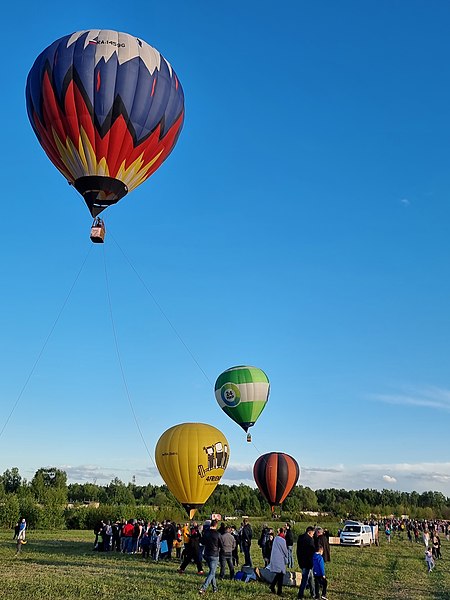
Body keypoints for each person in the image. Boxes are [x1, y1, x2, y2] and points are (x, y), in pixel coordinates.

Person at [199, 519, 223, 594]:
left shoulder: (206, 533)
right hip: (214, 554)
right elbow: (221, 545)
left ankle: (215, 588)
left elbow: (202, 542)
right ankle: (203, 588)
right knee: (212, 573)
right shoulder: (218, 534)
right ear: (216, 525)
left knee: (211, 572)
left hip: (206, 553)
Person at [297, 526, 316, 600]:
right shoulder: (310, 540)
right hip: (308, 562)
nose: (313, 535)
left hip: (302, 561)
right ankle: (300, 594)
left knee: (311, 578)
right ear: (309, 532)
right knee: (305, 579)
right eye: (312, 533)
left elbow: (298, 551)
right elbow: (312, 551)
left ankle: (313, 593)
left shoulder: (300, 538)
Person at [268, 527, 288, 596]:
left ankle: (272, 586)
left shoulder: (276, 538)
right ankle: (279, 591)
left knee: (279, 574)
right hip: (280, 559)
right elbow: (285, 550)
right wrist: (287, 556)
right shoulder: (282, 540)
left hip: (275, 558)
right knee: (281, 575)